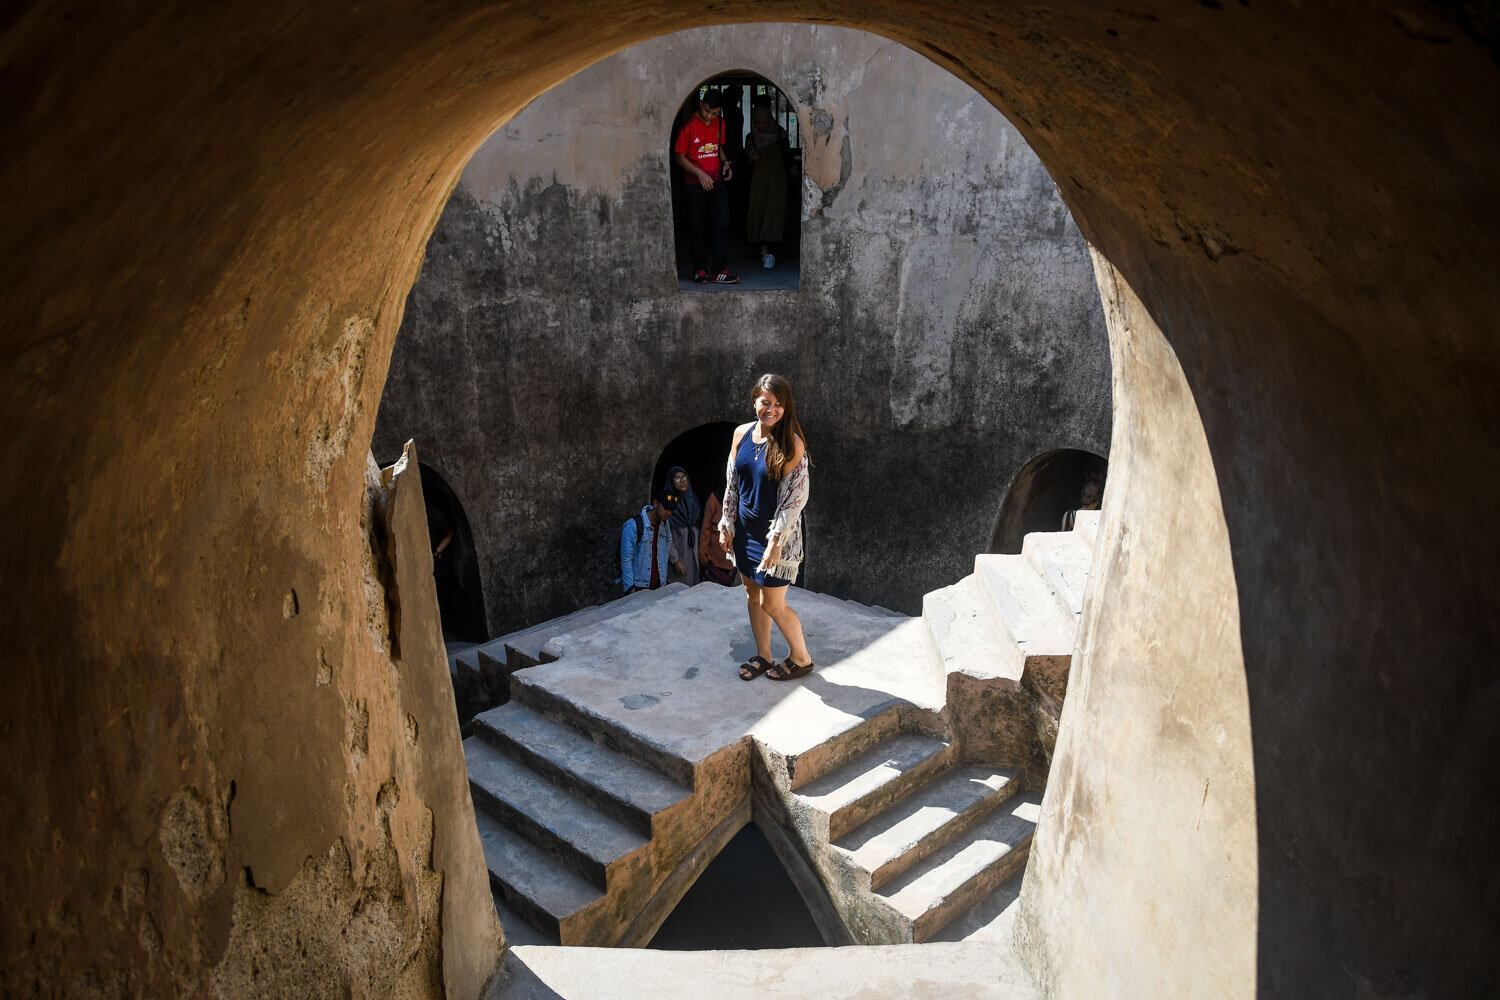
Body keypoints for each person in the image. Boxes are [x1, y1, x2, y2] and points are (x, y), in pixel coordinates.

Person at [719, 374, 814, 681]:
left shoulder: (791, 444)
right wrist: (726, 524)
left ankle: (801, 659)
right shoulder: (741, 434)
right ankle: (764, 655)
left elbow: (793, 502)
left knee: (772, 602)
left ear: (786, 408)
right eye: (765, 402)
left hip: (778, 539)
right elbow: (732, 485)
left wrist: (775, 545)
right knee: (751, 593)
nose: (771, 409)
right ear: (754, 401)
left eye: (778, 404)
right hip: (745, 532)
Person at [673, 89, 739, 285]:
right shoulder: (688, 126)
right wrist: (699, 173)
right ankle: (699, 269)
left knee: (721, 226)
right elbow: (679, 157)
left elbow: (718, 147)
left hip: (717, 182)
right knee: (697, 229)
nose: (710, 116)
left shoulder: (719, 123)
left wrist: (726, 163)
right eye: (708, 111)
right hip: (695, 186)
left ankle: (719, 270)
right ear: (702, 104)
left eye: (715, 113)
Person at [745, 100, 793, 269]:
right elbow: (746, 165)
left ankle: (772, 250)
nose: (761, 126)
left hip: (777, 181)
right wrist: (750, 157)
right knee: (758, 211)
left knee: (775, 212)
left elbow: (788, 158)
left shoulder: (780, 134)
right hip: (758, 182)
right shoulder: (751, 138)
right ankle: (761, 249)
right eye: (757, 123)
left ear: (770, 119)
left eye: (764, 122)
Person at [621, 488, 683, 593]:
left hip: (659, 584)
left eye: (671, 510)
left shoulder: (665, 524)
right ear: (655, 503)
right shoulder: (632, 525)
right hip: (639, 585)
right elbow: (626, 559)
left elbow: (668, 543)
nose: (668, 513)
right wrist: (630, 588)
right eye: (666, 508)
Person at [663, 466, 702, 586]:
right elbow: (665, 537)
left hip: (694, 555)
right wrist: (676, 561)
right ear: (671, 481)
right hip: (678, 557)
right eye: (677, 478)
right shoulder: (668, 503)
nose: (682, 480)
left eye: (684, 477)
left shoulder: (693, 499)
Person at [698, 491, 739, 586]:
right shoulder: (715, 498)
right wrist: (703, 553)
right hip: (716, 556)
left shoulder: (741, 496)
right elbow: (706, 528)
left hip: (736, 557)